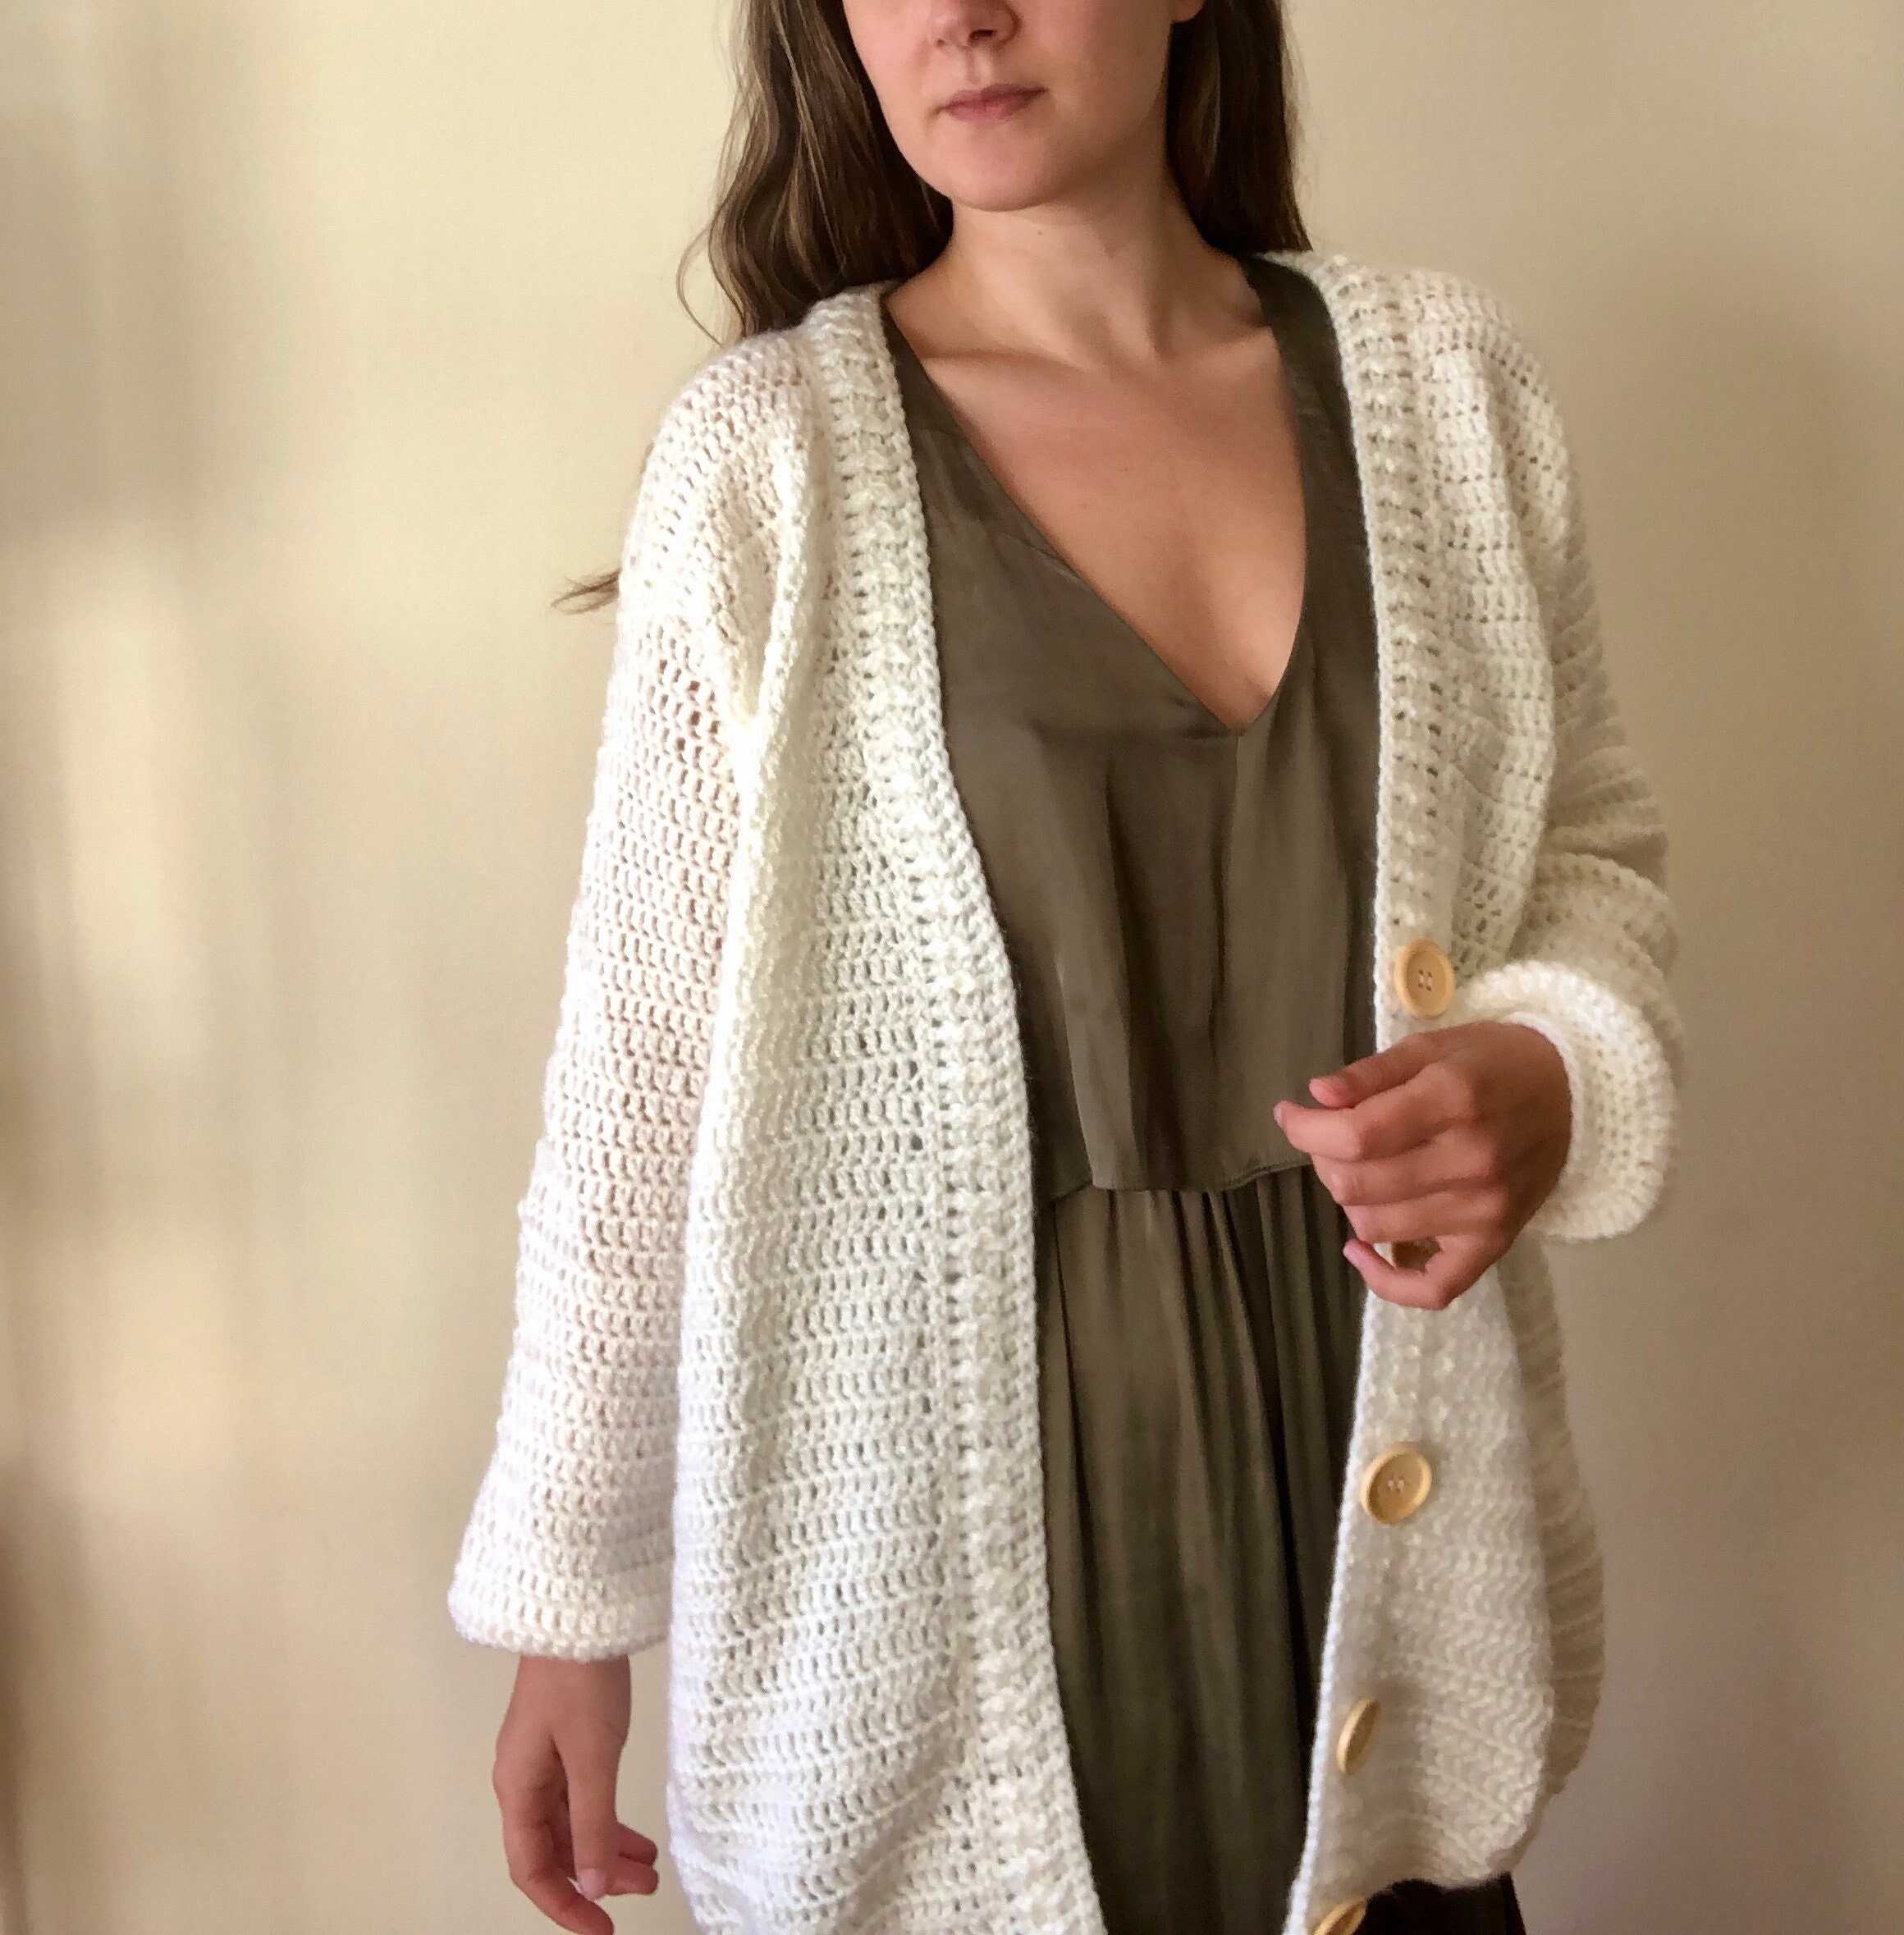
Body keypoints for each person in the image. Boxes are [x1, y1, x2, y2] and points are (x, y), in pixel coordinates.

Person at [446, 0, 1684, 1930]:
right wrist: (569, 1605)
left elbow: (1585, 853)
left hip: (1375, 1518)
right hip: (938, 1577)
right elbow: (641, 1076)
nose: (961, 15)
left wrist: (1555, 1074)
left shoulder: (1449, 391)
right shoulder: (768, 461)